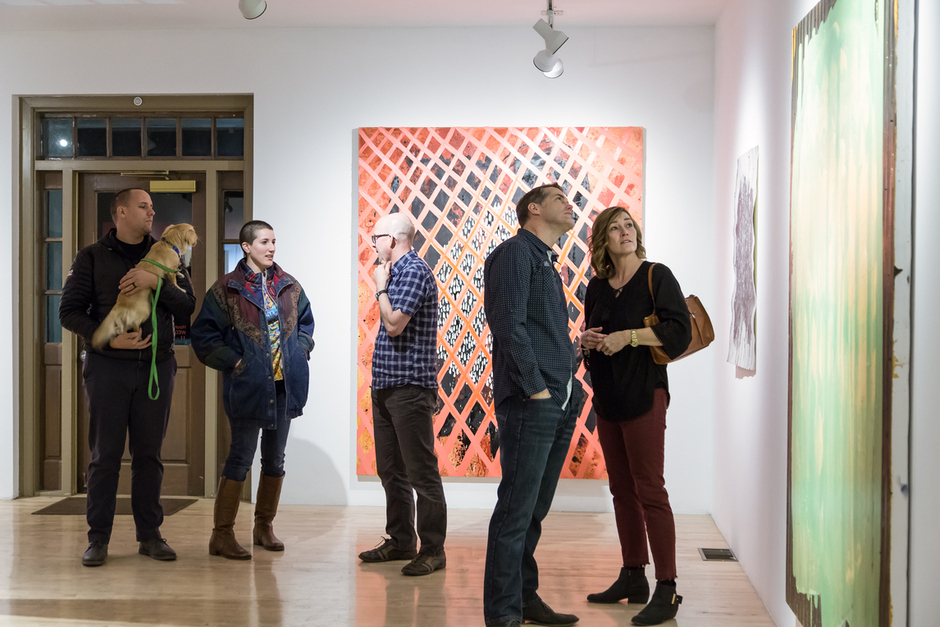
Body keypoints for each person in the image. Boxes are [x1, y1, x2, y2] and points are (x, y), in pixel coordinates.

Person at [59, 188, 195, 567]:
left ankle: (150, 536)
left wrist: (158, 284)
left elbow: (188, 308)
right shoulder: (90, 257)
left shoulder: (167, 255)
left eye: (152, 207)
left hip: (156, 368)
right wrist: (109, 340)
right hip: (107, 369)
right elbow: (69, 313)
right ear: (121, 212)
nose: (152, 212)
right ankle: (98, 539)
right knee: (104, 457)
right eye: (143, 206)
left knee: (149, 457)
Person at [580, 206, 691, 626]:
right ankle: (632, 575)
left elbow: (678, 332)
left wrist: (629, 337)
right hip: (608, 399)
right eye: (615, 228)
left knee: (651, 490)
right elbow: (595, 335)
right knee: (621, 490)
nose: (624, 232)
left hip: (646, 394)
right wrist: (587, 339)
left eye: (629, 225)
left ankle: (667, 586)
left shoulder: (656, 276)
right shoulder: (597, 287)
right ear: (603, 240)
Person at [482, 183, 585, 627]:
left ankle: (524, 600)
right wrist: (537, 390)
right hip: (532, 401)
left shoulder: (544, 260)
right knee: (515, 511)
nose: (571, 204)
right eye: (560, 198)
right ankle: (503, 614)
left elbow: (538, 333)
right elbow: (508, 325)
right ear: (534, 209)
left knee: (533, 511)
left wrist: (573, 359)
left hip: (555, 399)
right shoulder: (514, 253)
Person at [191, 220, 314, 560]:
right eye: (263, 242)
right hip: (248, 387)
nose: (271, 247)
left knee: (275, 459)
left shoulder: (289, 285)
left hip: (285, 388)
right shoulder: (226, 289)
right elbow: (203, 337)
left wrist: (300, 350)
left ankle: (264, 527)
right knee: (241, 458)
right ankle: (222, 534)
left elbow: (306, 323)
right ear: (247, 247)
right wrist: (237, 362)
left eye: (274, 241)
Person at [358, 213, 448, 576]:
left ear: (392, 240)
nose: (373, 242)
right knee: (391, 470)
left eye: (376, 236)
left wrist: (379, 286)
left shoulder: (411, 270)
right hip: (387, 386)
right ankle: (400, 540)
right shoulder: (398, 271)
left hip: (410, 388)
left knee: (421, 472)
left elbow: (394, 325)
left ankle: (432, 550)